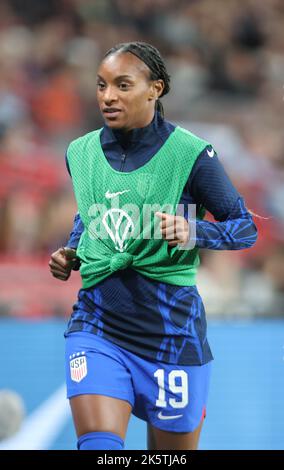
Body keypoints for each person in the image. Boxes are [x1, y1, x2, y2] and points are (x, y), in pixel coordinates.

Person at [49, 42, 258, 450]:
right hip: (98, 325)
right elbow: (91, 215)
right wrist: (73, 249)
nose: (108, 96)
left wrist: (194, 231)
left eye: (122, 85)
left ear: (155, 89)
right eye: (101, 85)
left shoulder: (191, 154)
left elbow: (245, 227)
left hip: (171, 334)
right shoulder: (80, 152)